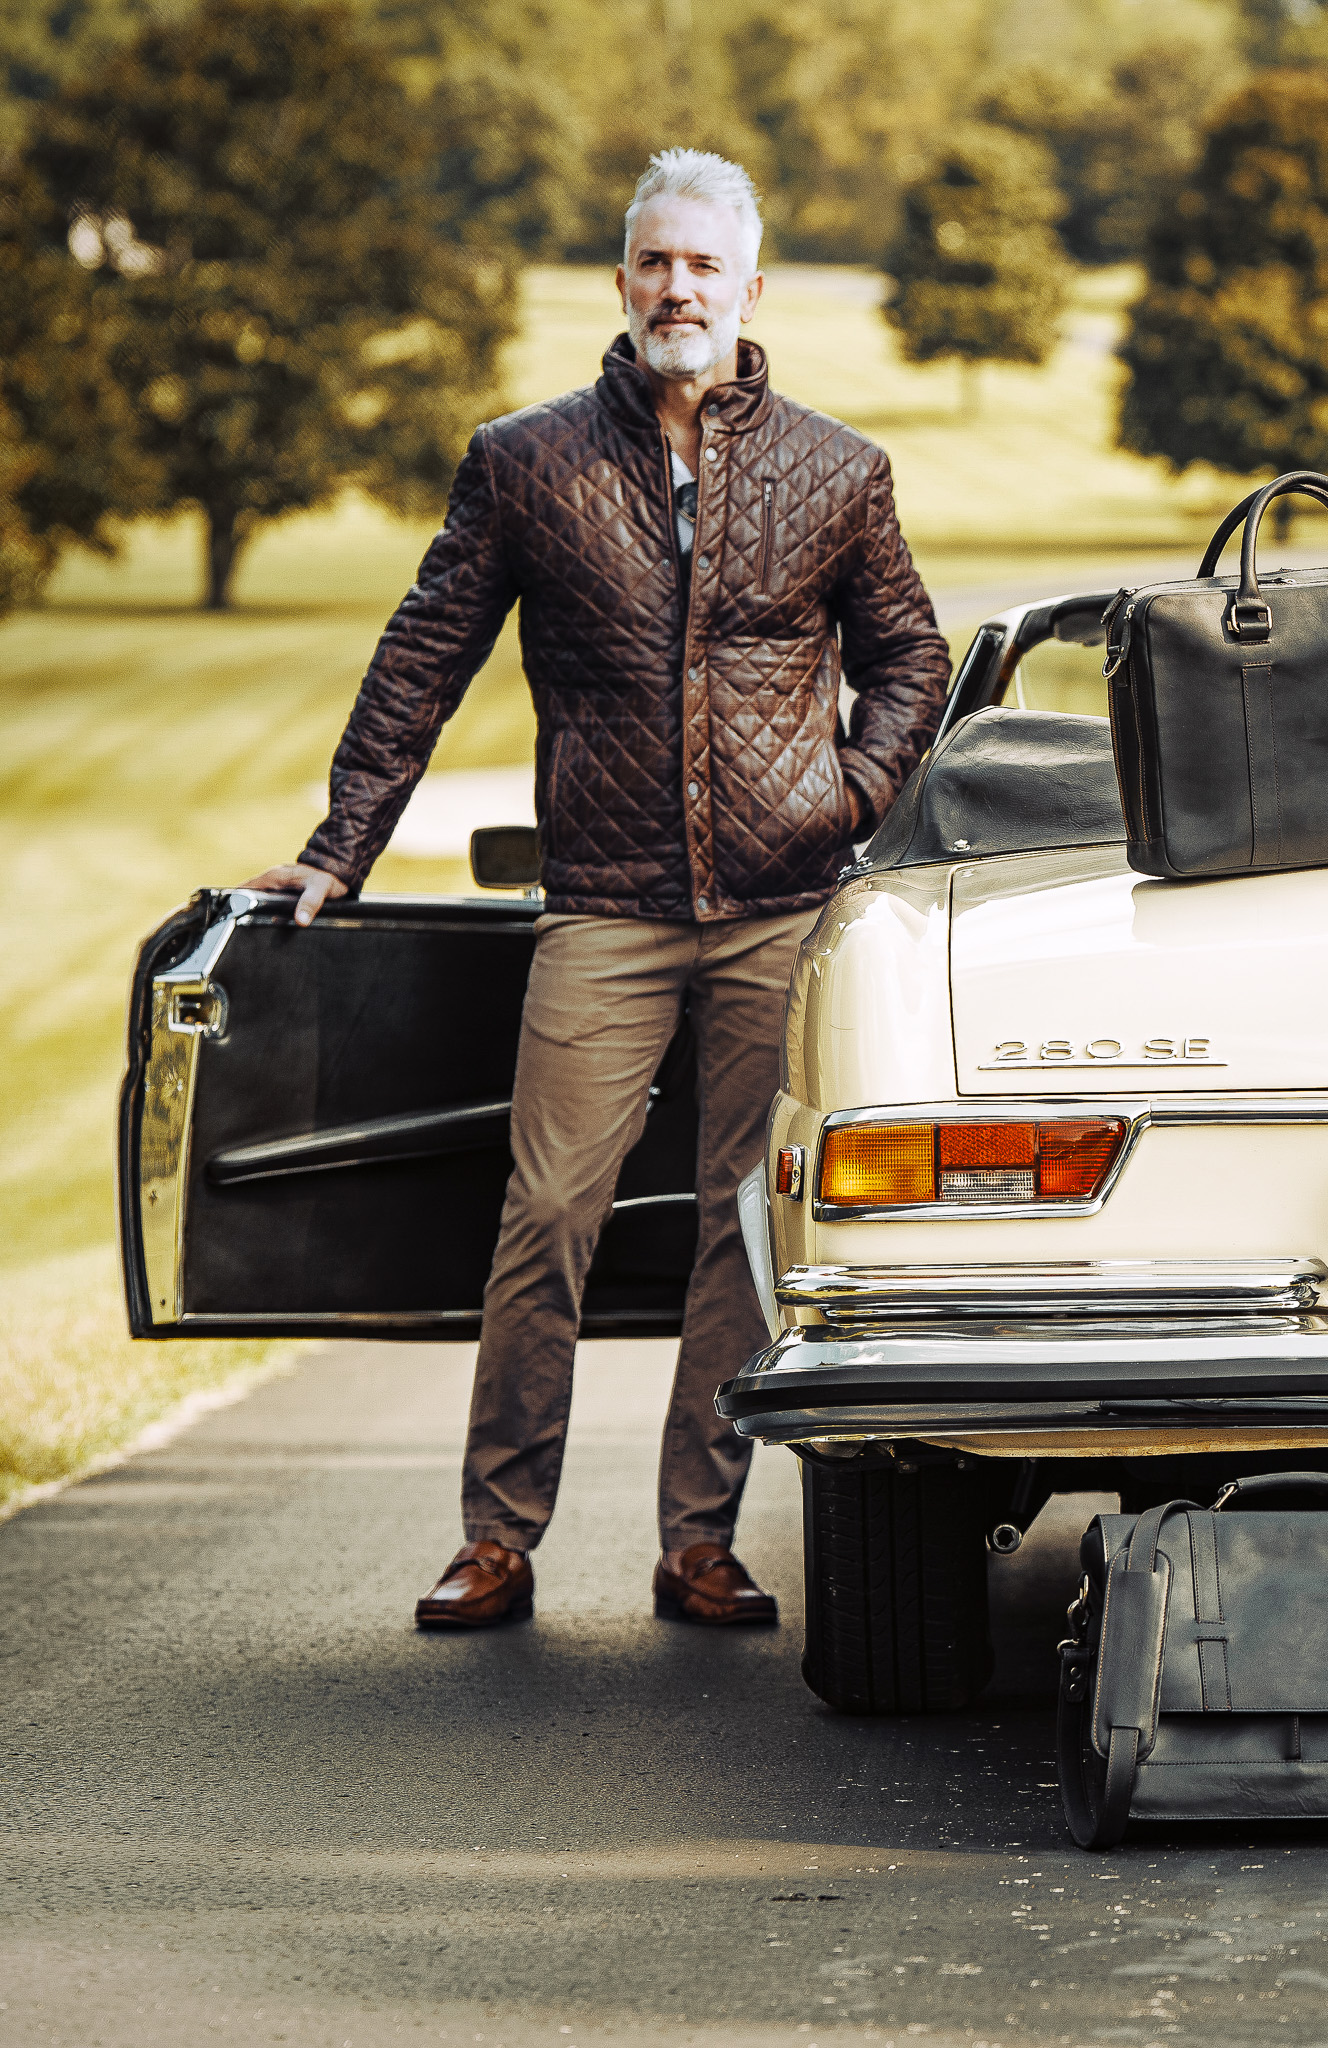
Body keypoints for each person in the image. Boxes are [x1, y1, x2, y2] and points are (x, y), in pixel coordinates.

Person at [243, 150, 951, 1630]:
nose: (675, 286)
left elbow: (912, 664)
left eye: (702, 264)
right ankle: (497, 1537)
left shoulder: (840, 472)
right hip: (607, 909)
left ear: (751, 289)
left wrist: (852, 794)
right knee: (547, 1213)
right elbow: (421, 656)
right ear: (622, 282)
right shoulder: (528, 462)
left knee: (739, 1223)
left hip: (781, 910)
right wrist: (340, 848)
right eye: (652, 262)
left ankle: (700, 1539)